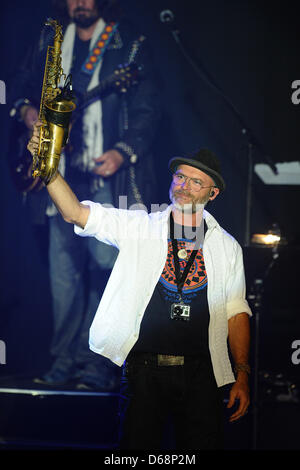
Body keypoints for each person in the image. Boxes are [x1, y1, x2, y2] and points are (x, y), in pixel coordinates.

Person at [28, 125, 251, 450]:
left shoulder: (228, 247)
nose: (184, 186)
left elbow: (236, 313)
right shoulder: (139, 225)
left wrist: (242, 374)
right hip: (144, 371)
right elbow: (75, 213)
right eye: (180, 177)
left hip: (202, 375)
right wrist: (48, 168)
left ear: (212, 193)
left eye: (196, 182)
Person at [8, 0, 160, 390]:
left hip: (105, 174)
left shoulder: (128, 42)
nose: (79, 3)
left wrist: (122, 152)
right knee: (64, 275)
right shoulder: (52, 38)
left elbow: (148, 110)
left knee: (106, 270)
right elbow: (24, 86)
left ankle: (97, 364)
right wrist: (27, 113)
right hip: (60, 175)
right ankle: (63, 361)